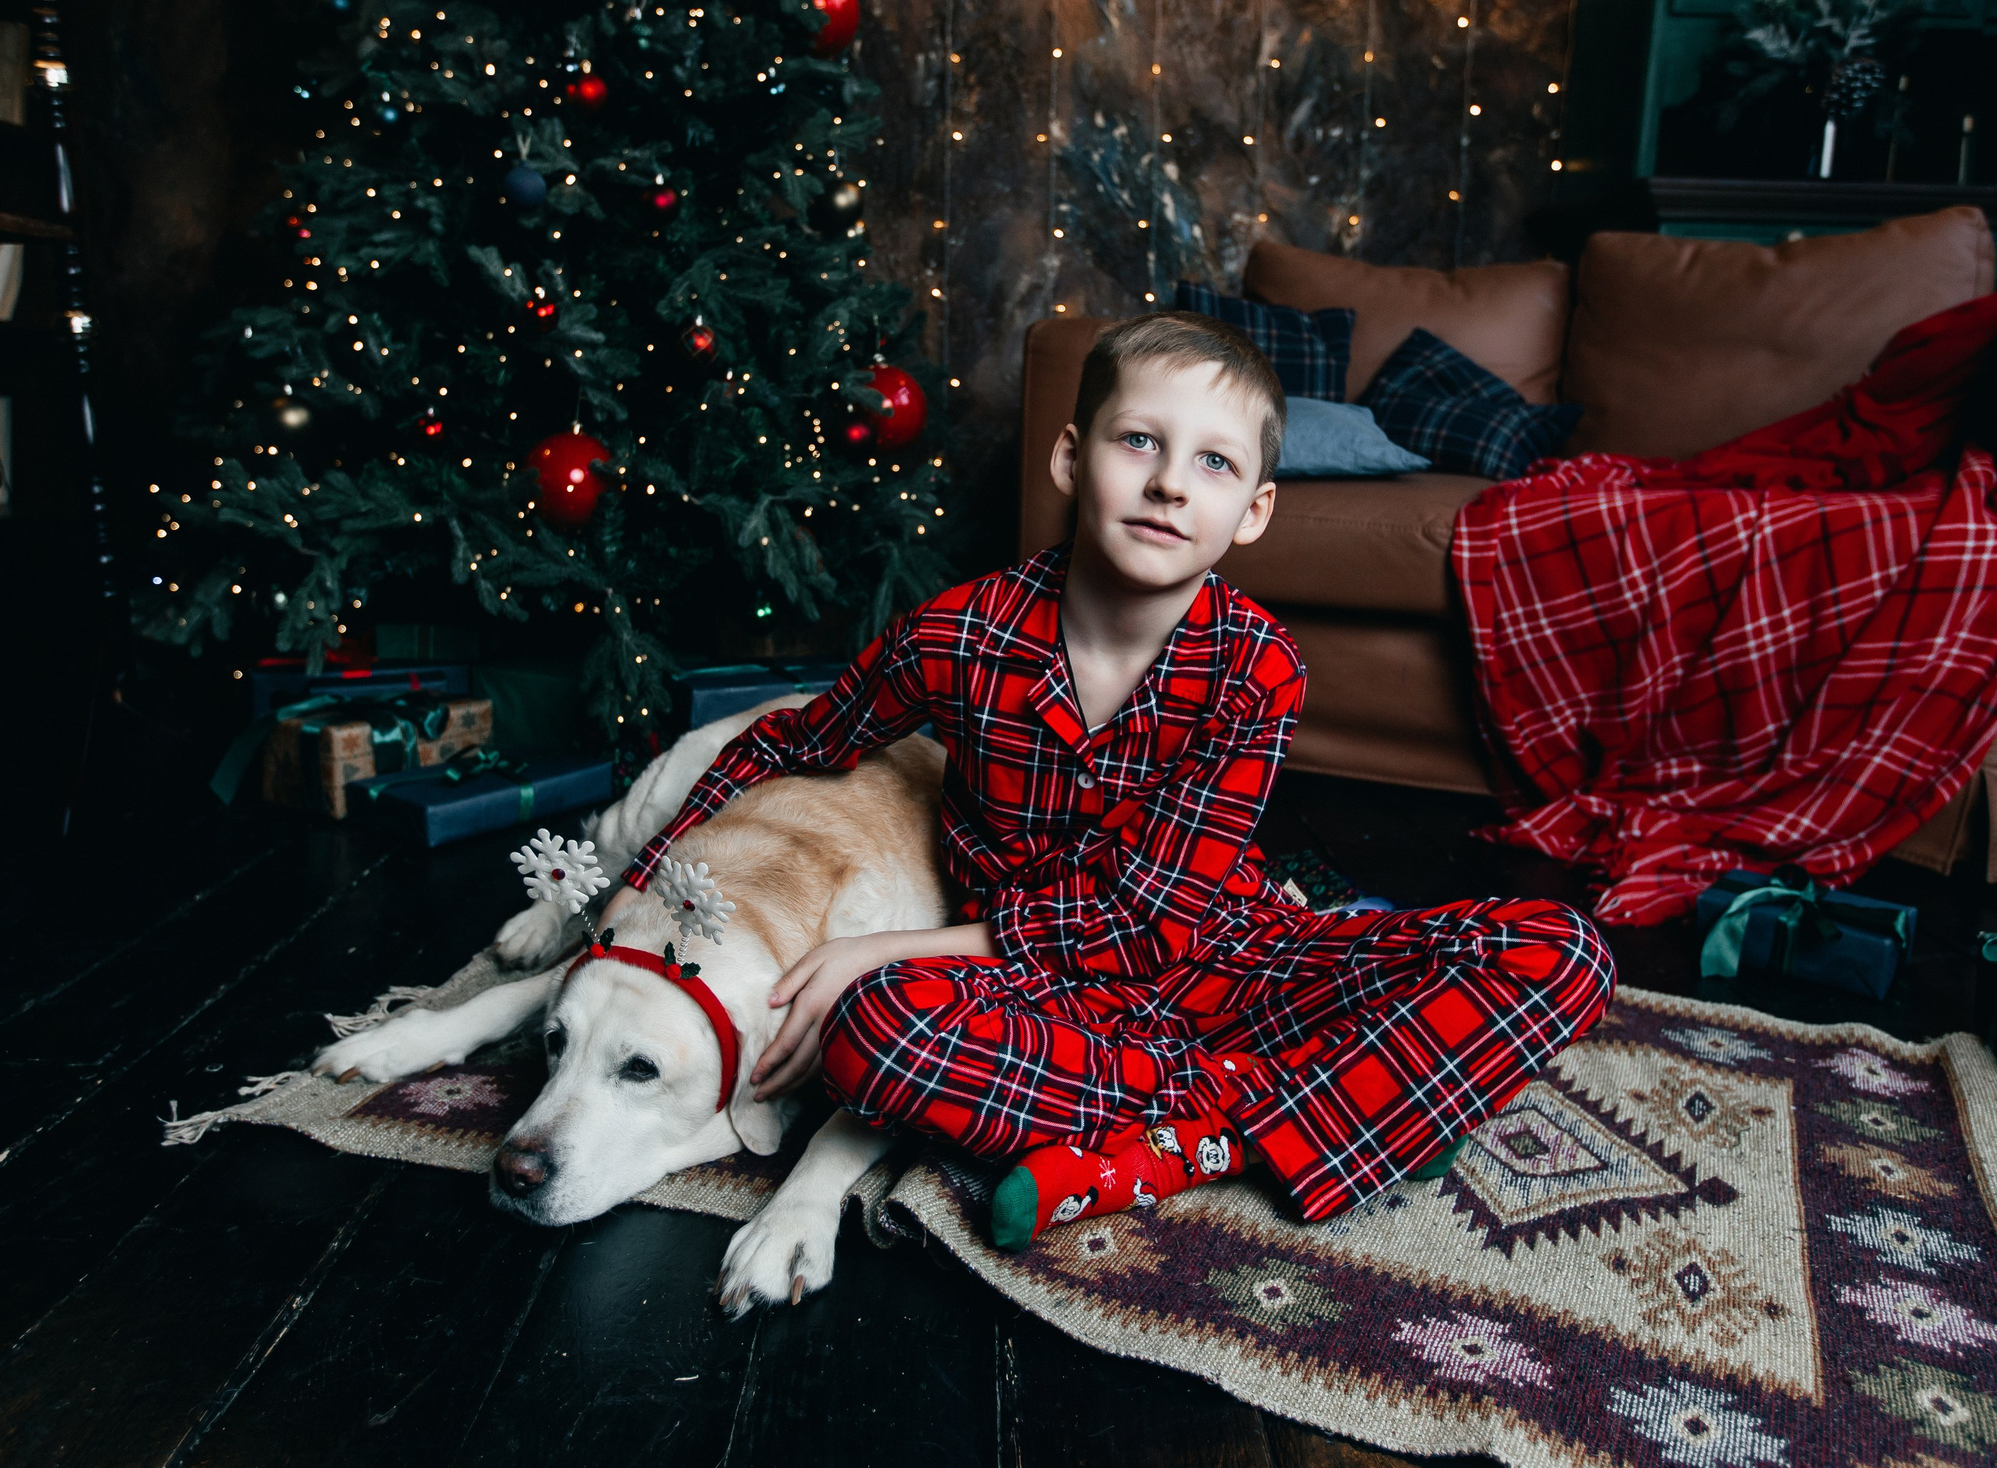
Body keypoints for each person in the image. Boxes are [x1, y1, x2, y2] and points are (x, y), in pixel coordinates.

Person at [622, 313, 1614, 1246]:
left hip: (1227, 960)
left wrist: (880, 945)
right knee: (872, 1032)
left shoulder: (1258, 666)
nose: (1170, 483)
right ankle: (1336, 1106)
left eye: (1214, 462)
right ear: (1071, 457)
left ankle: (1191, 1142)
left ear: (1253, 510)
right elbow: (792, 744)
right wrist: (641, 880)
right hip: (1034, 993)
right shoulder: (956, 636)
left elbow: (1147, 923)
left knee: (1562, 952)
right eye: (1139, 441)